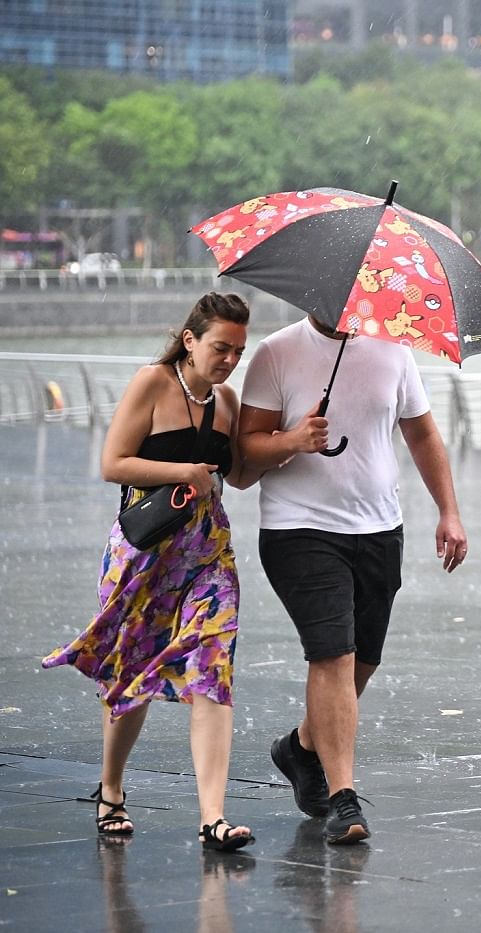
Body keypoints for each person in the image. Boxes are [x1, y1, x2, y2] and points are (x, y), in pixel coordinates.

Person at [237, 312, 467, 844]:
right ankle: (343, 798)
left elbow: (422, 433)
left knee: (363, 660)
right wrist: (294, 439)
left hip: (379, 526)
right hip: (299, 527)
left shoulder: (395, 349)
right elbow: (246, 449)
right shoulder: (277, 351)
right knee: (332, 655)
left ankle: (299, 747)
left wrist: (449, 511)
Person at [43, 292, 257, 852]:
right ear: (190, 340)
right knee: (129, 674)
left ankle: (213, 816)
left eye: (238, 350)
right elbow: (113, 462)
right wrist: (184, 468)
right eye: (220, 348)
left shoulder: (228, 402)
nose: (229, 359)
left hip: (208, 556)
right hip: (143, 555)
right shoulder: (152, 383)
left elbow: (239, 476)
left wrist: (297, 442)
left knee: (213, 669)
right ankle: (111, 789)